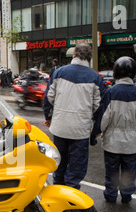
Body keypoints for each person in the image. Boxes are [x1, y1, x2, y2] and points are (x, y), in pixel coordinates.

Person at [91, 56, 136, 203]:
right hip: (131, 144)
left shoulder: (111, 92)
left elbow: (103, 118)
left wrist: (94, 135)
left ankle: (111, 195)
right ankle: (126, 194)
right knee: (129, 171)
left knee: (111, 171)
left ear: (115, 72)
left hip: (112, 142)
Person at [43, 43, 104, 190]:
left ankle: (57, 195)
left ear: (74, 55)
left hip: (60, 128)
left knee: (60, 165)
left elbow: (49, 98)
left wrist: (48, 117)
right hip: (80, 130)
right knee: (75, 169)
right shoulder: (95, 77)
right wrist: (95, 128)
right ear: (89, 58)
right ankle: (71, 199)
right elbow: (99, 106)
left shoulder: (59, 73)